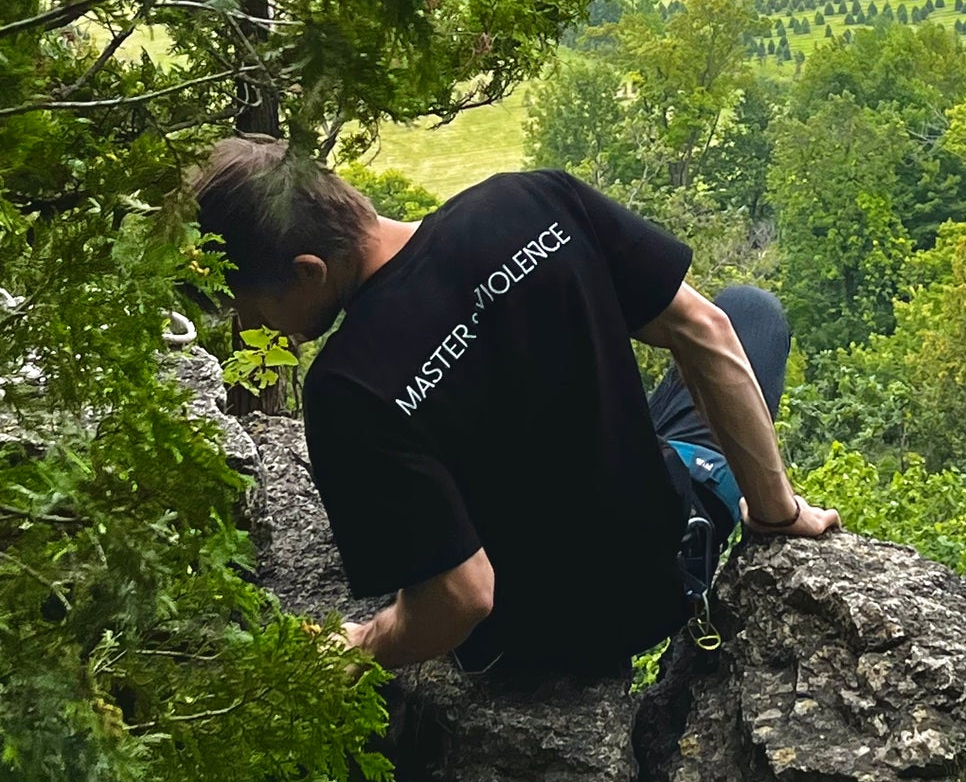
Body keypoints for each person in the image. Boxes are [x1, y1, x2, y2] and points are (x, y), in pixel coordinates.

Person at [189, 138, 839, 677]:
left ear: (308, 271)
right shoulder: (531, 199)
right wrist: (777, 513)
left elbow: (461, 598)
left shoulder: (347, 388)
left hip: (540, 650)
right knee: (749, 310)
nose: (253, 322)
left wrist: (357, 645)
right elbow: (705, 331)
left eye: (252, 304)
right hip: (668, 562)